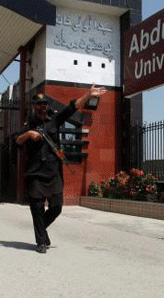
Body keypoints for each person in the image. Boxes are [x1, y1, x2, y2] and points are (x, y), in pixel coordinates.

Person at [16, 84, 107, 253]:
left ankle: (41, 229)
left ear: (47, 106)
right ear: (34, 107)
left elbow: (71, 108)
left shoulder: (55, 120)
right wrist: (29, 134)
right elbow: (17, 141)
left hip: (54, 172)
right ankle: (41, 242)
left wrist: (87, 95)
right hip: (35, 173)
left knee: (56, 207)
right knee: (36, 208)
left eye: (44, 104)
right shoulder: (29, 125)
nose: (42, 107)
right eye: (39, 104)